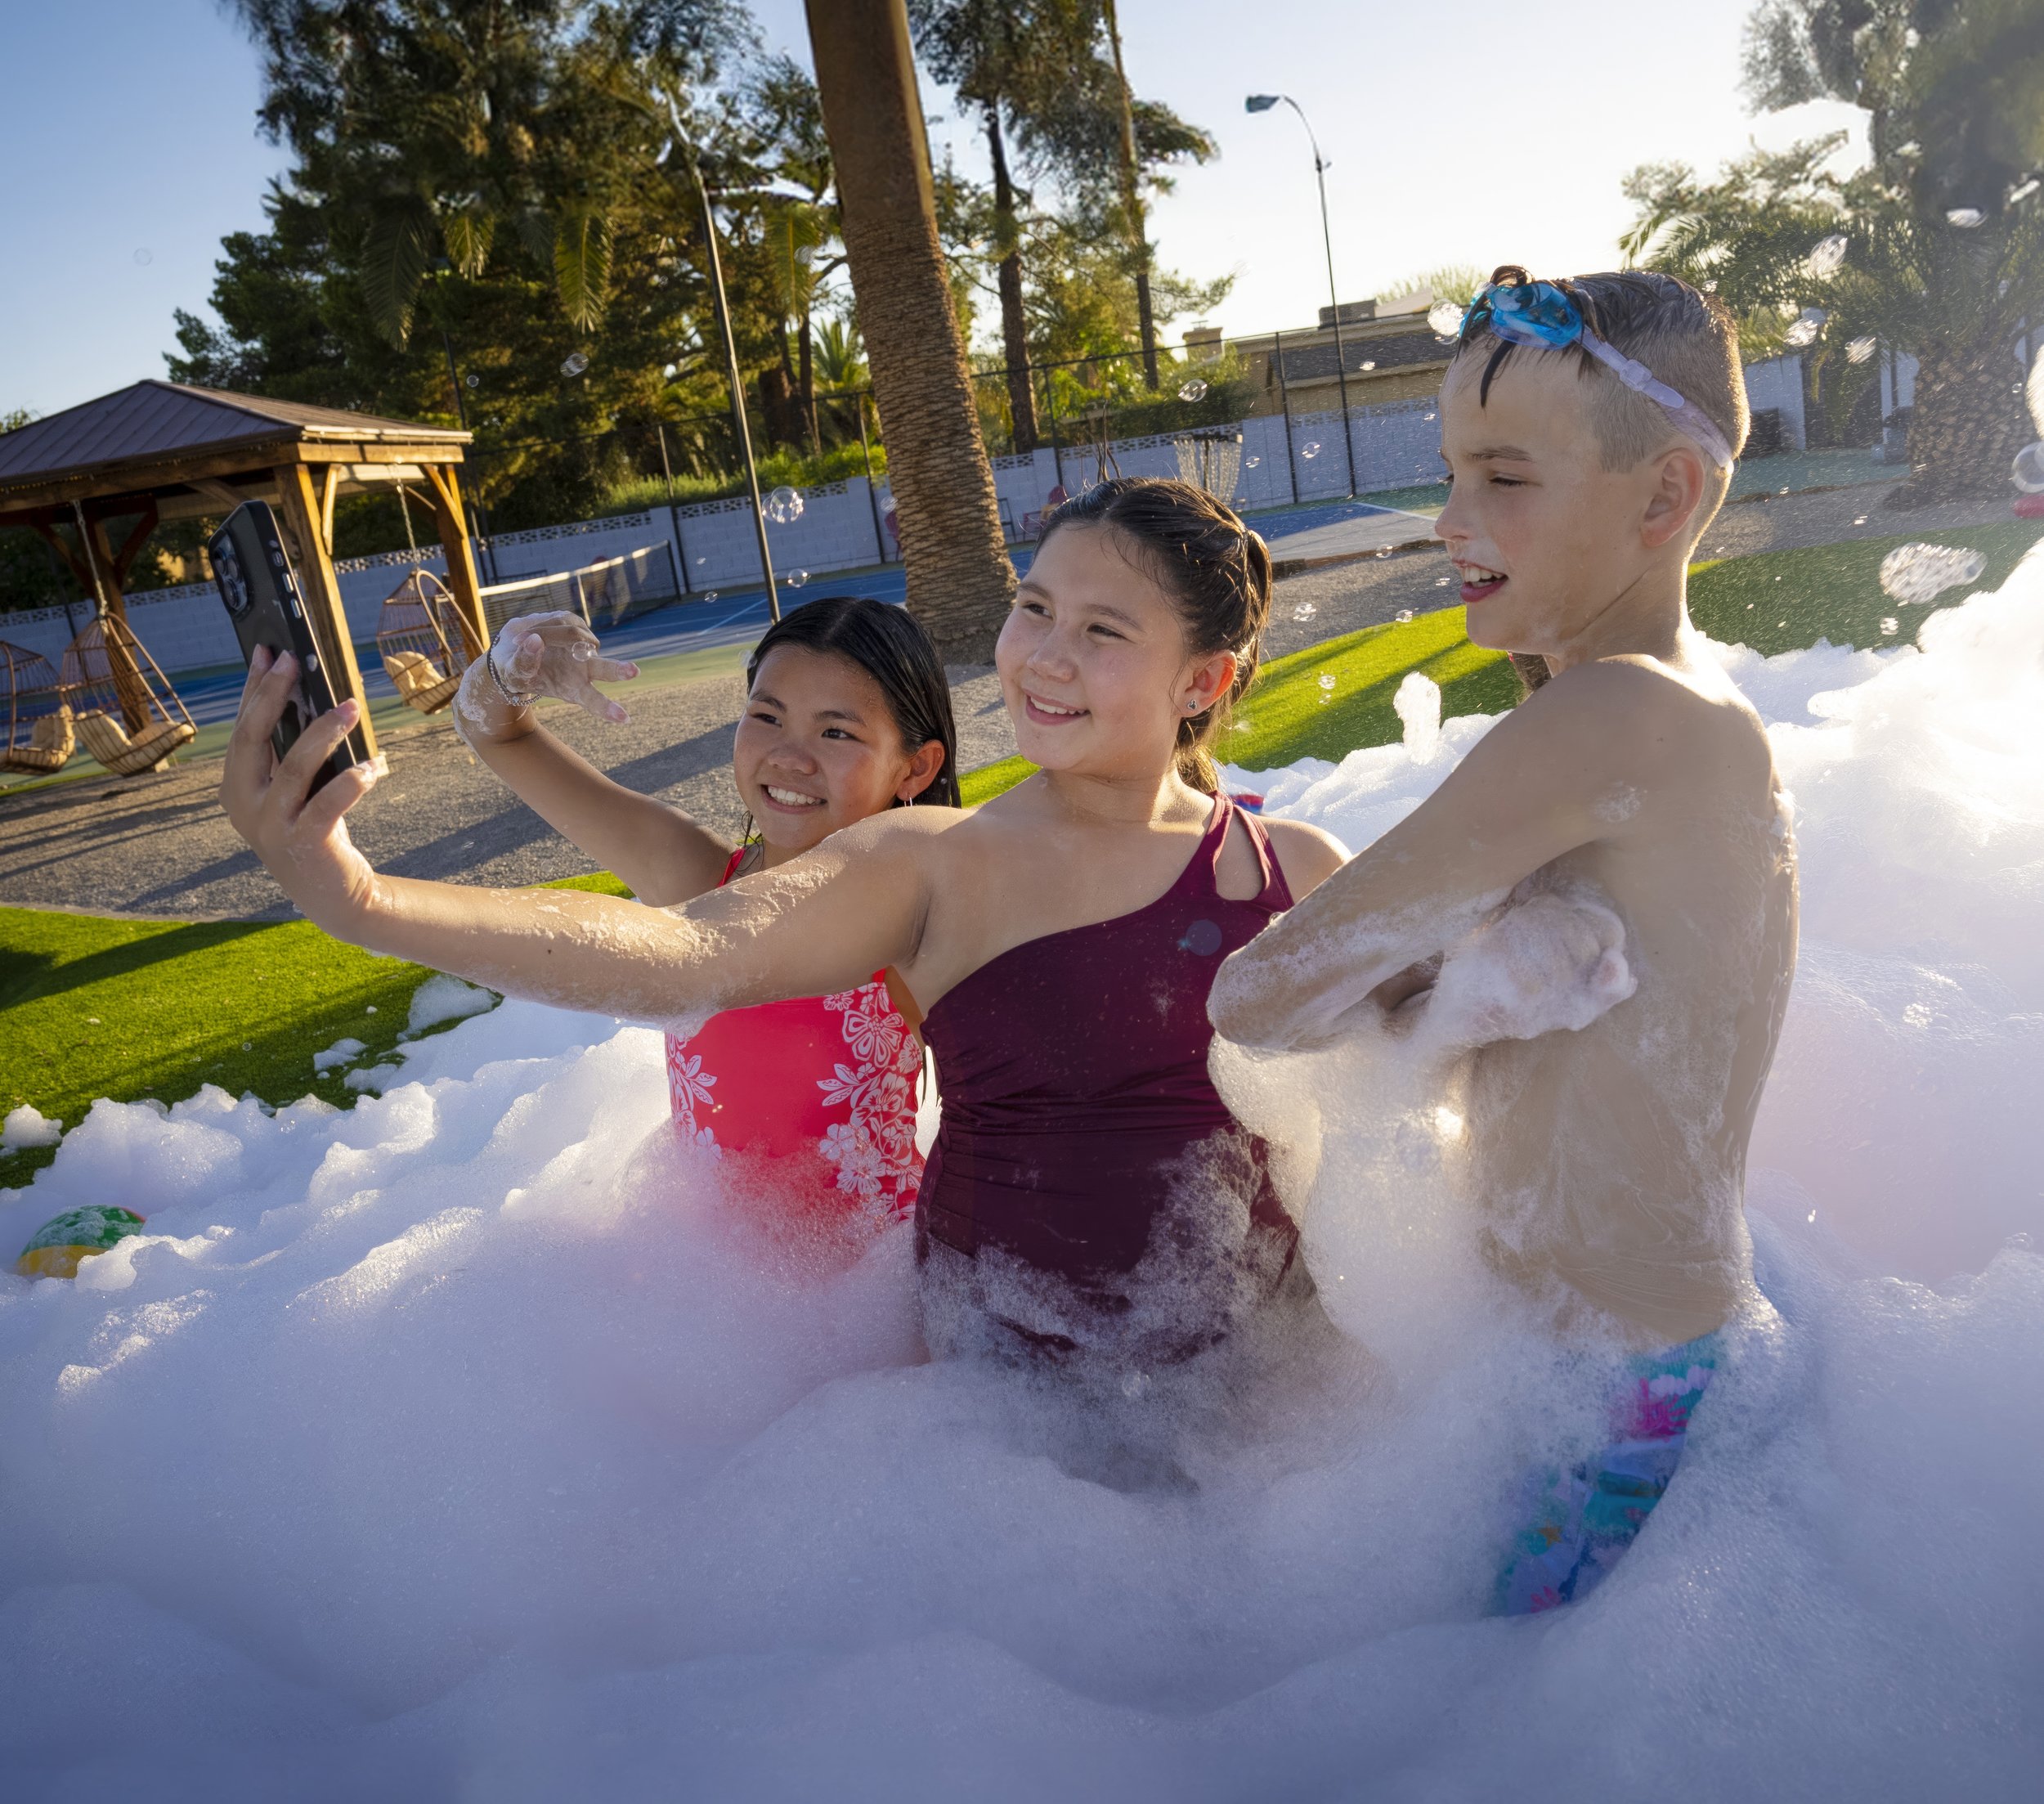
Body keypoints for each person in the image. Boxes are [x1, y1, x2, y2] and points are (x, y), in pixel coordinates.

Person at [222, 480, 1348, 1365]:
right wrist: (365, 901)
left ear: (1204, 679)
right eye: (1033, 606)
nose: (1044, 654)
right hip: (1008, 1414)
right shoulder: (929, 863)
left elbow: (1445, 1072)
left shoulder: (1288, 866)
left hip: (1268, 1403)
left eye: (1102, 628)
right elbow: (686, 957)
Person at [1208, 267, 1797, 1612]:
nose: (1451, 518)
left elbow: (1263, 998)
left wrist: (1442, 988)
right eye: (1450, 473)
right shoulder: (1665, 718)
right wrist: (1464, 987)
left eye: (1505, 477)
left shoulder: (1613, 721)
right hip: (1630, 1366)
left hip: (1604, 1411)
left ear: (1664, 502)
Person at [450, 596, 957, 1227]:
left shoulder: (919, 928)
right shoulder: (696, 879)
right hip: (705, 1281)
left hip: (869, 1284)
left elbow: (1032, 1110)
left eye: (836, 732)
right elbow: (494, 730)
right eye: (767, 716)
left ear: (916, 766)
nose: (789, 757)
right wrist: (503, 677)